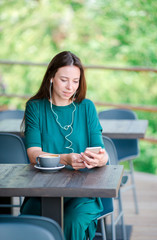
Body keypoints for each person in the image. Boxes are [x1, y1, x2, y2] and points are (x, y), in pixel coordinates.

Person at [20, 51, 108, 240]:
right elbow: (33, 154)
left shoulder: (87, 107)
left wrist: (101, 158)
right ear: (51, 77)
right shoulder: (35, 107)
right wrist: (65, 159)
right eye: (64, 80)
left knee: (72, 221)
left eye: (75, 81)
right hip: (42, 190)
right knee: (32, 226)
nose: (70, 87)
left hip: (83, 192)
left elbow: (100, 151)